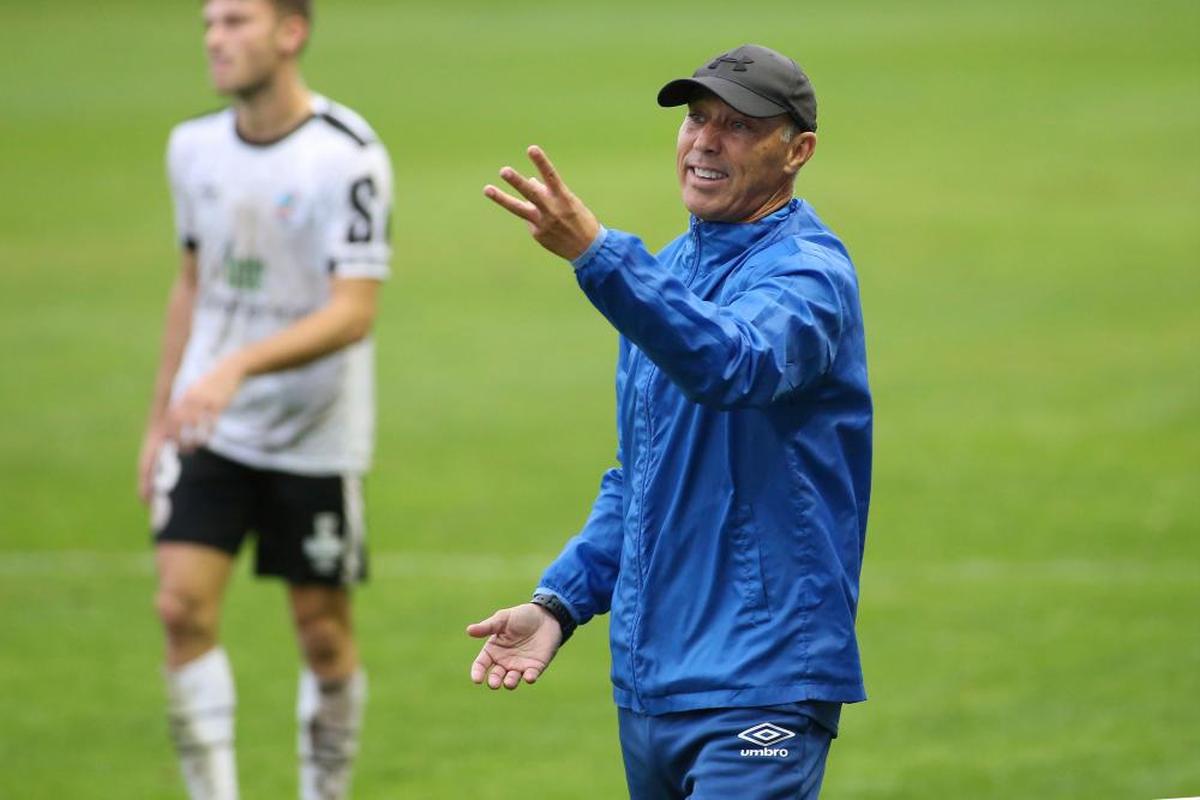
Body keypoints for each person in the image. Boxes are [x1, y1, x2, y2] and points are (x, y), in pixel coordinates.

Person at [468, 44, 871, 799]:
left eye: (741, 126)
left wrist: (598, 255)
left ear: (798, 152)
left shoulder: (810, 276)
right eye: (696, 118)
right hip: (654, 686)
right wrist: (559, 603)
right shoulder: (671, 271)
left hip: (762, 678)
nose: (706, 141)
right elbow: (642, 477)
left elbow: (738, 363)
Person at [137, 1, 392, 797]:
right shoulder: (193, 148)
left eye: (237, 21)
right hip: (210, 422)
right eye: (209, 22)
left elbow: (354, 312)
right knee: (181, 611)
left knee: (321, 634)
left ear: (291, 32)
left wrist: (237, 364)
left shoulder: (348, 156)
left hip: (314, 432)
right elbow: (192, 283)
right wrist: (158, 421)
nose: (216, 38)